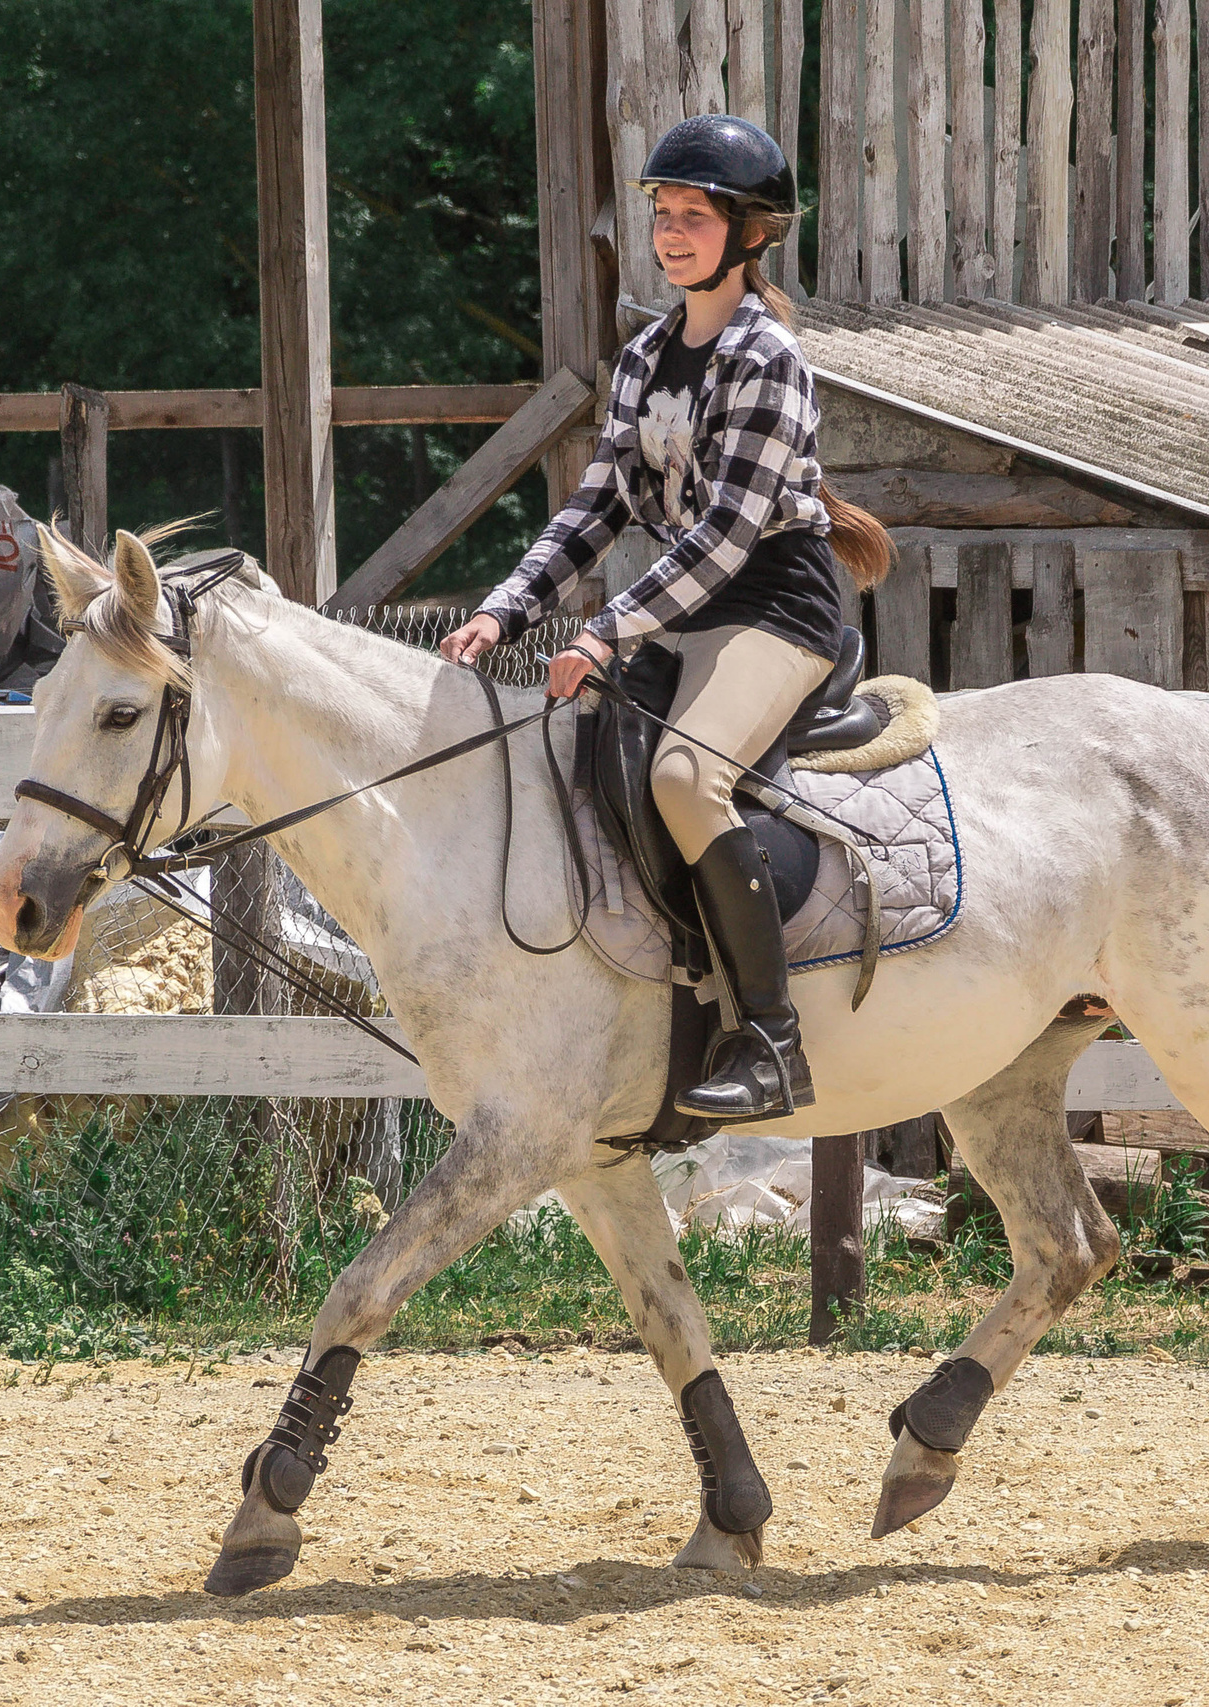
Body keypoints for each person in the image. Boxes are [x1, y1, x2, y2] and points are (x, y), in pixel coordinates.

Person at [438, 113, 894, 1122]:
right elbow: (597, 505)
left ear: (751, 235)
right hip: (683, 615)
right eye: (664, 214)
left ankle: (773, 1041)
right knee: (576, 761)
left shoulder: (766, 357)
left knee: (686, 780)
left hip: (776, 609)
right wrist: (505, 612)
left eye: (695, 215)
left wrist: (606, 630)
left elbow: (730, 532)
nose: (674, 232)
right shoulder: (644, 354)